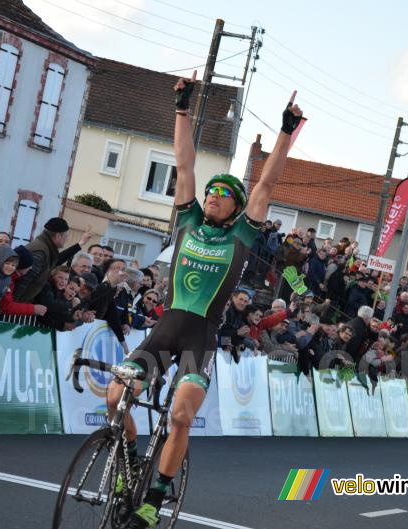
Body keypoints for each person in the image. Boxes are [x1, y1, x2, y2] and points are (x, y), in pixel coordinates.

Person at [110, 73, 303, 529]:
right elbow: (184, 162)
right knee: (117, 396)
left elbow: (266, 186)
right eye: (212, 192)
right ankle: (128, 467)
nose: (214, 197)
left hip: (201, 336)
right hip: (165, 328)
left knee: (180, 415)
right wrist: (182, 108)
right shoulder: (189, 221)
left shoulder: (241, 232)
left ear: (236, 208)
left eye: (224, 195)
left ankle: (155, 500)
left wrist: (285, 133)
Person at [14, 217, 70, 303]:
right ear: (58, 236)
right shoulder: (41, 252)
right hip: (14, 308)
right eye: (66, 236)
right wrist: (13, 306)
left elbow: (57, 260)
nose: (67, 239)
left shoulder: (46, 248)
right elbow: (24, 281)